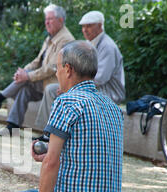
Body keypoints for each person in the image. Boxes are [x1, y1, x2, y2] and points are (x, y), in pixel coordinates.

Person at [0, 40, 124, 192]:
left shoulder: (67, 101)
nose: (57, 73)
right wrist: (51, 154)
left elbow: (52, 163)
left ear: (69, 70)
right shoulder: (112, 107)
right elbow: (88, 154)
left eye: (58, 68)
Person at [0, 4, 74, 136]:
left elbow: (52, 68)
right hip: (44, 82)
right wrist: (23, 72)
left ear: (60, 20)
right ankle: (12, 126)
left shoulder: (65, 39)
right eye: (46, 19)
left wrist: (28, 76)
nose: (47, 22)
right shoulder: (50, 37)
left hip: (57, 84)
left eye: (50, 19)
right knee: (25, 89)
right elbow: (37, 61)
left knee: (26, 82)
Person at [33, 10, 125, 140]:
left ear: (99, 26)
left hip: (107, 93)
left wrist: (70, 88)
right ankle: (48, 133)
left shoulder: (107, 46)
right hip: (88, 89)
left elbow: (99, 78)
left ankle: (56, 137)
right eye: (83, 26)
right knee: (51, 89)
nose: (84, 30)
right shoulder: (88, 44)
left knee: (60, 93)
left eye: (89, 26)